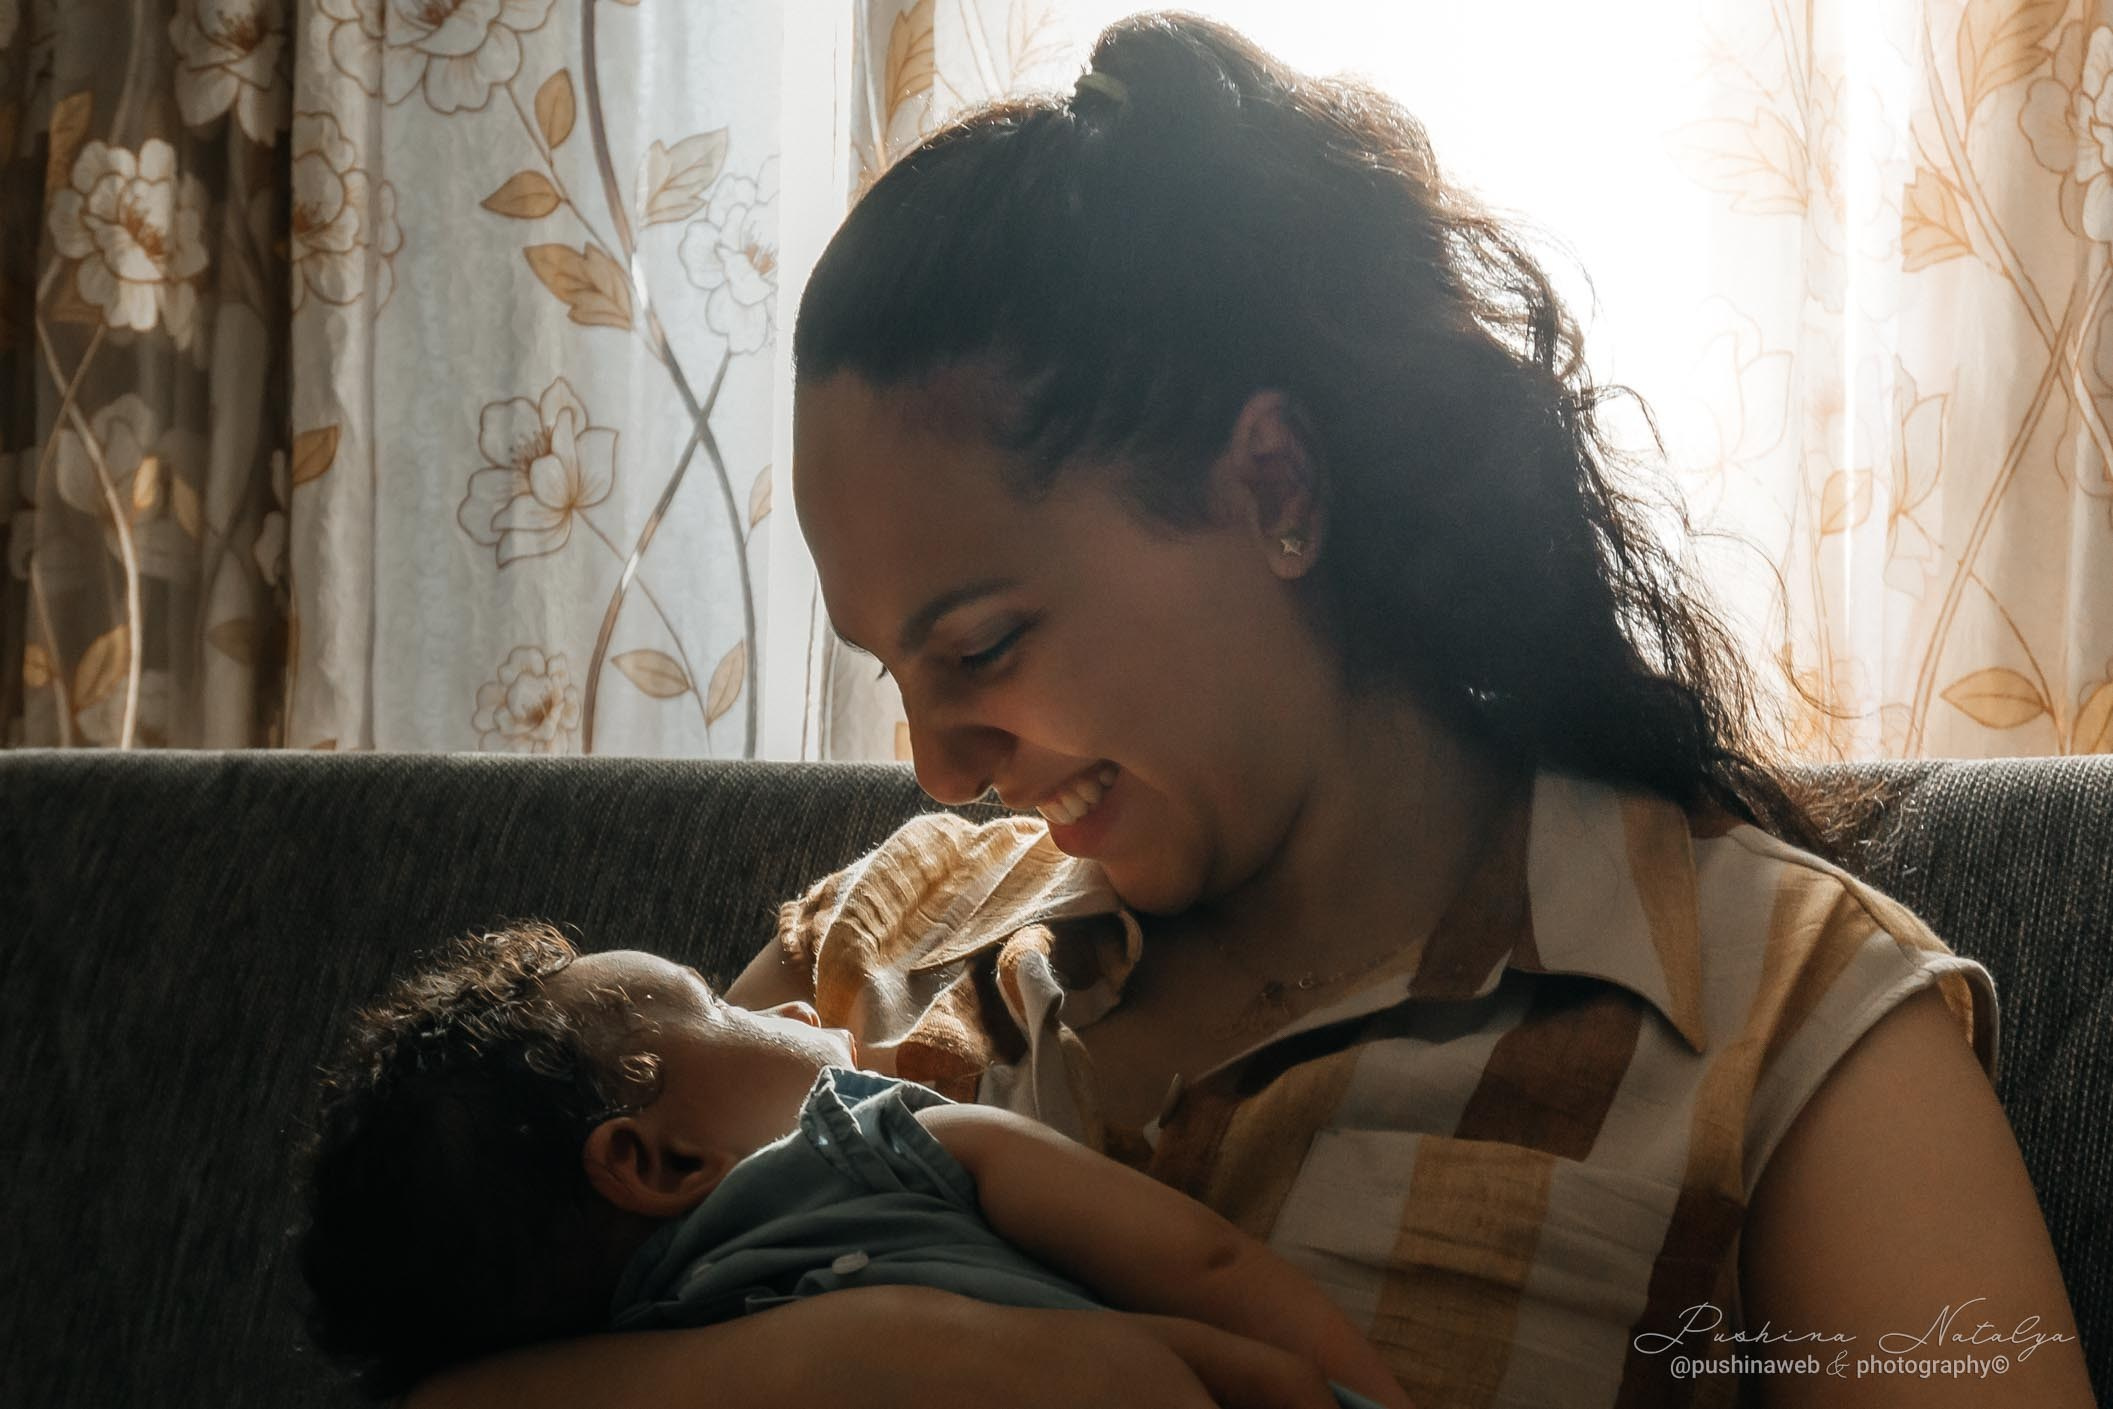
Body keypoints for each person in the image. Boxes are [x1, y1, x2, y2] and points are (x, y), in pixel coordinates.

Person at [409, 11, 2096, 1409]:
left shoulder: (1775, 1019)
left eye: (983, 639)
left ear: (1271, 484)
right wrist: (869, 1348)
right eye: (893, 671)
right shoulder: (884, 938)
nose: (938, 764)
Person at [295, 923, 1407, 1409]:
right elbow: (1205, 1260)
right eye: (719, 1004)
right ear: (657, 1157)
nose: (780, 997)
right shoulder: (886, 1139)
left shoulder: (636, 1351)